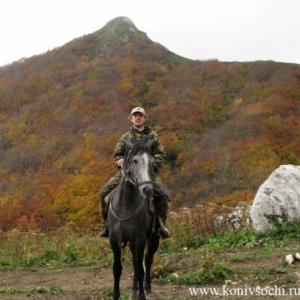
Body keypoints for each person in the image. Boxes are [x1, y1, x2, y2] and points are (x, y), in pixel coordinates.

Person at [99, 107, 171, 239]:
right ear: (131, 119)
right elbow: (117, 155)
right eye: (135, 115)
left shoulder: (153, 136)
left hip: (148, 173)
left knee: (162, 194)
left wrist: (151, 162)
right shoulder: (125, 137)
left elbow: (161, 153)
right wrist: (119, 161)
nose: (137, 118)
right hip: (127, 173)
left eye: (140, 115)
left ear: (145, 118)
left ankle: (161, 226)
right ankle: (107, 225)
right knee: (104, 192)